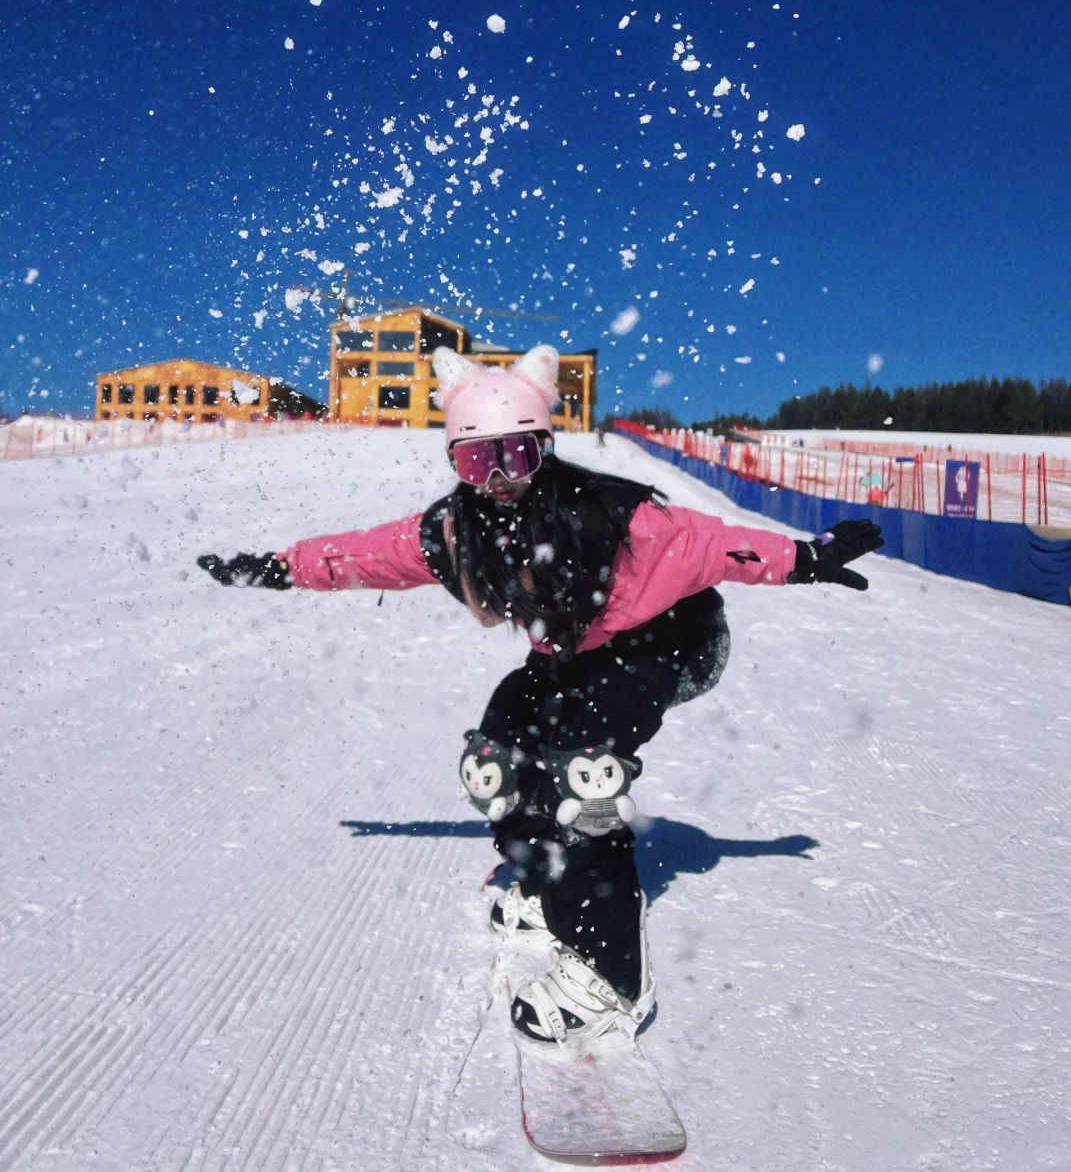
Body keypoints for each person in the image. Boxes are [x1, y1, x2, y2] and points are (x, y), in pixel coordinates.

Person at [197, 345, 882, 1049]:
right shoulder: (456, 533)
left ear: (543, 450)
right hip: (578, 653)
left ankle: (610, 975)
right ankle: (544, 876)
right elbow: (368, 554)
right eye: (474, 462)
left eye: (515, 457)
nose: (495, 480)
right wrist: (280, 569)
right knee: (499, 753)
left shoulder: (615, 521)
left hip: (668, 645)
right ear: (454, 462)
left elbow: (717, 544)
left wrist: (809, 557)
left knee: (583, 774)